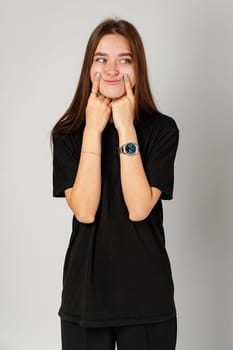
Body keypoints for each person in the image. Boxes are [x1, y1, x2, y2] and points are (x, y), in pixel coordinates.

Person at [51, 18, 179, 350]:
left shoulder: (162, 130)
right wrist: (93, 130)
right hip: (85, 298)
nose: (112, 69)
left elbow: (139, 208)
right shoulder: (68, 133)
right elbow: (85, 210)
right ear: (88, 67)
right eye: (101, 59)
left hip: (147, 298)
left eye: (124, 60)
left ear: (138, 68)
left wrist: (126, 129)